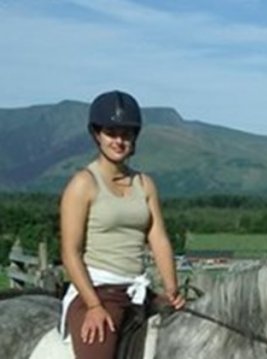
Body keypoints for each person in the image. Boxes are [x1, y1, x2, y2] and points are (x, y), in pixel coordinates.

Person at [59, 90, 185, 359]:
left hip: (137, 290)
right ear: (97, 135)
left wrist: (171, 288)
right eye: (111, 132)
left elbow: (159, 238)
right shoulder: (83, 184)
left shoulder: (144, 184)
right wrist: (93, 305)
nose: (119, 140)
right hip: (97, 290)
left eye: (126, 133)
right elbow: (70, 252)